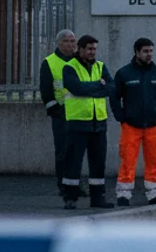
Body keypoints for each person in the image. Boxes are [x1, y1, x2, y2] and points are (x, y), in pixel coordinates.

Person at [110, 38, 156, 206]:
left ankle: (154, 192)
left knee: (154, 160)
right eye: (145, 51)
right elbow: (114, 97)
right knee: (127, 159)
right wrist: (121, 117)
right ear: (137, 52)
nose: (149, 54)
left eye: (151, 51)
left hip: (155, 124)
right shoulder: (124, 73)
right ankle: (123, 194)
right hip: (131, 125)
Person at [60, 35, 116, 210]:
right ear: (81, 49)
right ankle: (70, 198)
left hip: (98, 123)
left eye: (95, 49)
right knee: (73, 162)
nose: (93, 52)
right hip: (78, 122)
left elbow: (111, 88)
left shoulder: (100, 66)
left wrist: (92, 88)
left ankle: (97, 198)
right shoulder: (70, 67)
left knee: (98, 163)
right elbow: (77, 89)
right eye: (90, 49)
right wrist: (98, 85)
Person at [40, 29, 78, 198]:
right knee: (63, 151)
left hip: (79, 113)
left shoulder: (79, 61)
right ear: (59, 43)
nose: (70, 45)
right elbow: (46, 90)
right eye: (66, 41)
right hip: (61, 114)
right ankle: (63, 185)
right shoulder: (49, 62)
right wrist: (55, 110)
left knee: (76, 152)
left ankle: (74, 185)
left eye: (73, 41)